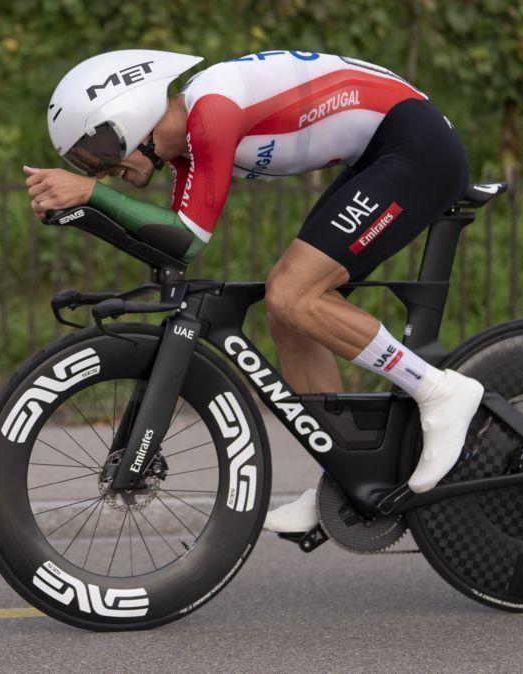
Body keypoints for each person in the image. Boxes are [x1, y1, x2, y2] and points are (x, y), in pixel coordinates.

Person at [24, 49, 484, 534]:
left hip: (416, 147)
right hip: (383, 152)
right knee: (287, 314)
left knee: (292, 294)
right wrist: (81, 211)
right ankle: (346, 474)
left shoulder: (211, 112)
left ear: (127, 117)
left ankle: (438, 390)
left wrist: (91, 196)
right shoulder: (187, 147)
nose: (98, 168)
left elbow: (188, 240)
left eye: (96, 151)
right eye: (84, 161)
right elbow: (171, 245)